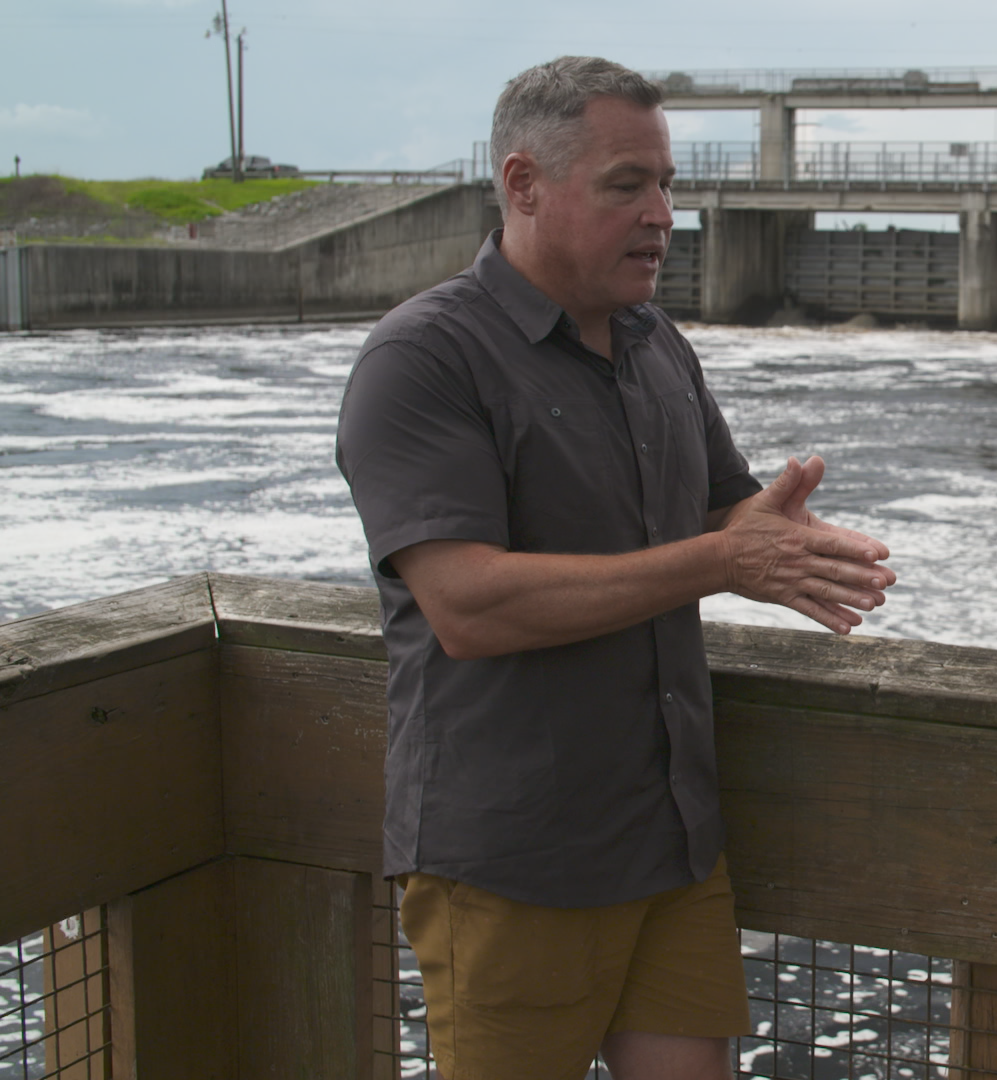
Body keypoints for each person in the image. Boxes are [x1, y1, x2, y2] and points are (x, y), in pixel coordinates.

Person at [335, 57, 895, 1080]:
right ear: (523, 185)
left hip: (671, 839)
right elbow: (467, 605)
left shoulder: (653, 342)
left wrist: (775, 537)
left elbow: (724, 508)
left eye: (669, 184)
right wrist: (728, 557)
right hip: (512, 862)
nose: (663, 215)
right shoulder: (422, 360)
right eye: (626, 185)